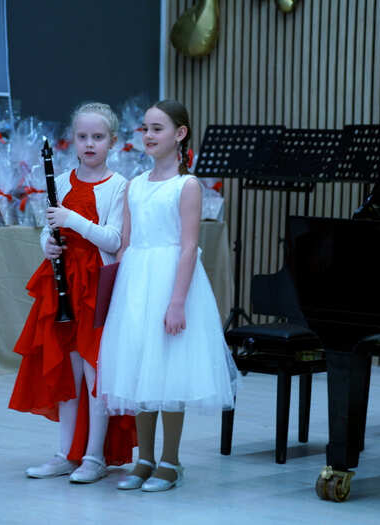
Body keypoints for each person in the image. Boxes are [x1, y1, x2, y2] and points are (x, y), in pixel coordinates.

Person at [98, 99, 238, 492]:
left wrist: (177, 302)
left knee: (170, 373)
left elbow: (189, 247)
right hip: (136, 285)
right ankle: (144, 458)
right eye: (145, 128)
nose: (148, 135)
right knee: (140, 370)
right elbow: (126, 243)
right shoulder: (135, 185)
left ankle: (171, 461)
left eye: (157, 128)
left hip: (172, 284)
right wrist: (119, 292)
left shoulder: (186, 185)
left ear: (180, 134)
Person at [9, 102, 135, 483]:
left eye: (98, 137)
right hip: (62, 282)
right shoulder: (61, 181)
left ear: (112, 141)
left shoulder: (119, 186)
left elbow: (114, 240)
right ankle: (65, 454)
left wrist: (73, 220)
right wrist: (47, 245)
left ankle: (94, 456)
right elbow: (48, 229)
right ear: (73, 140)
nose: (89, 144)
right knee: (68, 368)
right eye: (83, 136)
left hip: (96, 284)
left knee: (95, 370)